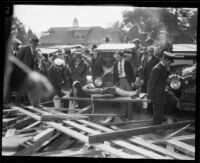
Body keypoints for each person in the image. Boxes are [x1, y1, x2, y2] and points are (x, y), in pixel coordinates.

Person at [69, 81, 140, 113]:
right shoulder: (82, 91)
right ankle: (133, 93)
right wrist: (104, 95)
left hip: (102, 91)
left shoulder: (80, 91)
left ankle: (133, 93)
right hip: (103, 91)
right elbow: (94, 95)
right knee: (115, 89)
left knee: (115, 89)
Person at [147, 51, 177, 125]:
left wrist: (168, 77)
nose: (170, 63)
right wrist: (150, 97)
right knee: (158, 114)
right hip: (157, 94)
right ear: (166, 60)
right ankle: (155, 128)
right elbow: (151, 84)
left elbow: (163, 79)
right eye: (170, 62)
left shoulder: (163, 67)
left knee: (173, 101)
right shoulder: (157, 68)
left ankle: (161, 120)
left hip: (163, 92)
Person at [15, 37, 42, 107]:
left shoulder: (35, 51)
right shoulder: (24, 49)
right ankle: (17, 103)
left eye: (36, 44)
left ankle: (36, 104)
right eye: (34, 44)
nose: (35, 46)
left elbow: (35, 62)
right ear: (31, 43)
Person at [113, 51, 136, 120]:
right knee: (122, 99)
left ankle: (130, 116)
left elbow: (132, 72)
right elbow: (114, 75)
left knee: (129, 98)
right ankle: (123, 115)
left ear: (122, 56)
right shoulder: (115, 63)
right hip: (120, 81)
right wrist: (115, 84)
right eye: (116, 57)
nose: (117, 58)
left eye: (119, 57)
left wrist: (132, 81)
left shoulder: (127, 62)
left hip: (127, 80)